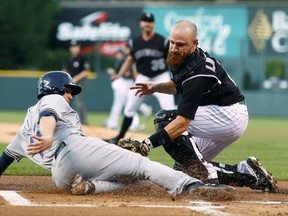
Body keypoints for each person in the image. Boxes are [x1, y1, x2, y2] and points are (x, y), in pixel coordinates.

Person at [0, 71, 234, 197]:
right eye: (68, 90)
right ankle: (190, 186)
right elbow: (48, 116)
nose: (70, 95)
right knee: (142, 165)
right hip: (74, 150)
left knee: (137, 183)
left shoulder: (23, 130)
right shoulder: (52, 99)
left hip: (61, 177)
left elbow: (5, 158)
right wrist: (49, 136)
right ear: (55, 88)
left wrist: (49, 139)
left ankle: (92, 188)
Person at [128, 20, 278, 192]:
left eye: (181, 45)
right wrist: (155, 87)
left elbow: (182, 123)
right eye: (172, 42)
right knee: (185, 167)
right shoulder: (187, 58)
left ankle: (209, 177)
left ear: (194, 43)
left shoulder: (198, 73)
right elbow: (178, 85)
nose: (174, 48)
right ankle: (249, 173)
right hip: (220, 112)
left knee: (165, 119)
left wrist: (146, 144)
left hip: (227, 115)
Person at [105, 12, 176, 144]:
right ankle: (119, 136)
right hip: (143, 77)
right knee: (129, 108)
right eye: (145, 21)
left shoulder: (162, 40)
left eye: (150, 21)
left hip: (161, 76)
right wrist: (119, 74)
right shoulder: (135, 42)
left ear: (153, 24)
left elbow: (172, 58)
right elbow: (130, 60)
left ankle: (176, 140)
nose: (147, 24)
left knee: (170, 110)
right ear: (141, 24)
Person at [104, 47, 153, 131]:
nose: (117, 55)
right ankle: (113, 122)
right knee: (121, 103)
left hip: (125, 83)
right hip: (125, 82)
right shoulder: (125, 60)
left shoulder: (124, 60)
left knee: (128, 103)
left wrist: (116, 75)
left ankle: (134, 122)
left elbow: (127, 73)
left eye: (118, 53)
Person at [62, 40, 90, 125]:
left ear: (79, 48)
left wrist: (76, 78)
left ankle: (83, 122)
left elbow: (86, 71)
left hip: (80, 82)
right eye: (72, 47)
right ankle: (65, 120)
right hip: (70, 83)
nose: (74, 48)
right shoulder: (68, 58)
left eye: (76, 46)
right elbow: (65, 70)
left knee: (79, 101)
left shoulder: (82, 58)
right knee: (66, 100)